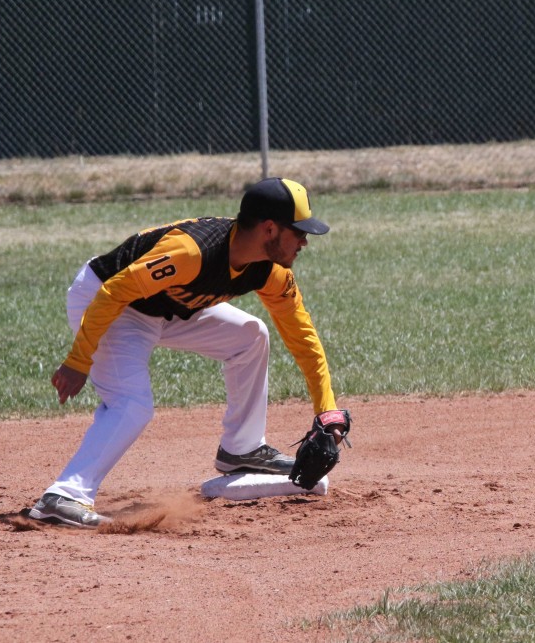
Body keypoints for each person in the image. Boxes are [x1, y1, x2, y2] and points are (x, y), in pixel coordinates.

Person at [30, 177, 345, 528]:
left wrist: (326, 410)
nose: (304, 241)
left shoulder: (271, 272)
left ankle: (242, 450)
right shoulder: (191, 253)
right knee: (132, 403)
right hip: (110, 302)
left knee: (250, 336)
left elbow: (303, 337)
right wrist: (78, 359)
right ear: (270, 229)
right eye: (298, 232)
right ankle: (63, 495)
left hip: (169, 309)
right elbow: (113, 292)